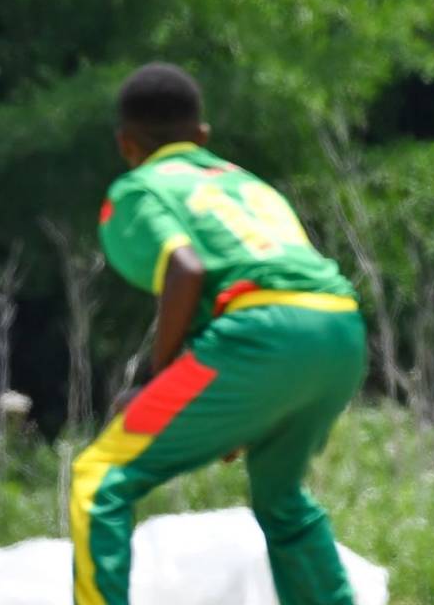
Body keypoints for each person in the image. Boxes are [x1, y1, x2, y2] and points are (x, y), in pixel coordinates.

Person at [71, 62, 365, 605]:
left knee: (99, 478)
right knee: (281, 499)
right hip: (340, 326)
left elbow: (186, 269)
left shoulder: (140, 189)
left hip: (263, 332)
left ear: (126, 144)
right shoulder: (249, 185)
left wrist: (158, 385)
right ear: (202, 137)